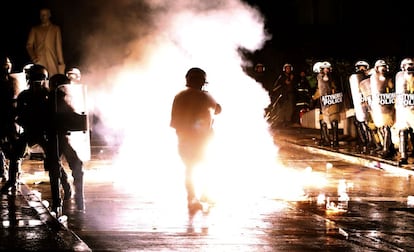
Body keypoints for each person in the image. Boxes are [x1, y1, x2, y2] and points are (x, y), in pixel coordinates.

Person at [170, 67, 222, 213]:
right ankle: (205, 194)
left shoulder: (179, 96)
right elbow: (218, 110)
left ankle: (192, 198)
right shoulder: (205, 97)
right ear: (203, 82)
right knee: (207, 167)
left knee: (190, 169)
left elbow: (175, 122)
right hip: (202, 140)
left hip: (185, 140)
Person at [50, 72, 87, 211]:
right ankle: (65, 197)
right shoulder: (53, 101)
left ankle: (74, 197)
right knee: (56, 168)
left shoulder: (62, 100)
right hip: (55, 138)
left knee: (71, 166)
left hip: (62, 138)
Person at [367, 59, 396, 159]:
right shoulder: (374, 78)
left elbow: (392, 88)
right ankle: (389, 147)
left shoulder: (389, 77)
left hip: (388, 107)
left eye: (383, 66)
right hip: (379, 107)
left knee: (386, 127)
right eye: (380, 67)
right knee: (382, 128)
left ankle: (386, 149)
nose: (382, 68)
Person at [349, 60, 378, 153]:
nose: (362, 69)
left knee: (369, 124)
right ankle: (364, 141)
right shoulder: (354, 79)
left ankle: (372, 142)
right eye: (360, 67)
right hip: (359, 103)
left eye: (363, 67)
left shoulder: (370, 77)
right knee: (359, 123)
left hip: (369, 104)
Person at [26, 8, 65, 77]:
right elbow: (29, 45)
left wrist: (61, 63)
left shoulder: (55, 29)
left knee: (53, 79)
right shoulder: (35, 29)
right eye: (41, 15)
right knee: (41, 80)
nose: (43, 17)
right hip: (40, 61)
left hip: (52, 60)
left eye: (45, 15)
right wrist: (34, 58)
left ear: (49, 15)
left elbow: (58, 46)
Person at [312, 61, 343, 147]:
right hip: (326, 103)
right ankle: (327, 139)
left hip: (331, 102)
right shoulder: (332, 76)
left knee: (333, 120)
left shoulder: (326, 78)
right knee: (323, 121)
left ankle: (332, 140)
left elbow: (322, 90)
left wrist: (313, 98)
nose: (325, 70)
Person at [0, 56, 20, 183]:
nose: (7, 66)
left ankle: (13, 178)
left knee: (15, 150)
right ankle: (3, 171)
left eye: (9, 64)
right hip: (2, 117)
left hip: (12, 118)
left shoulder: (14, 80)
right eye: (5, 64)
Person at [394, 58, 414, 165]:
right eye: (407, 65)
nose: (409, 67)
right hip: (404, 109)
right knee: (403, 132)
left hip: (413, 110)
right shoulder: (400, 77)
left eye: (411, 65)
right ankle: (403, 156)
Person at [268, 63, 297, 128]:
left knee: (289, 108)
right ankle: (280, 122)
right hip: (283, 95)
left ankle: (288, 121)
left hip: (290, 94)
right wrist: (287, 81)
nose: (288, 69)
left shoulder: (292, 76)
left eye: (289, 68)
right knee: (282, 108)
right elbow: (279, 85)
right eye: (287, 68)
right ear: (284, 69)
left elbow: (293, 85)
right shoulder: (282, 77)